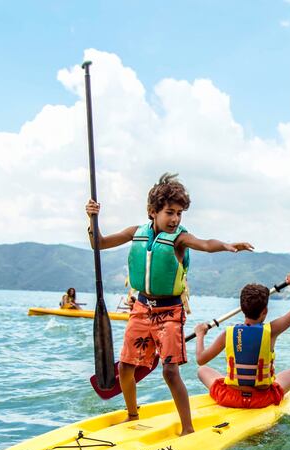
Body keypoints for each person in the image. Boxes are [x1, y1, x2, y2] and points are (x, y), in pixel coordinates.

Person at [85, 173, 253, 435]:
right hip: (141, 309)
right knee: (127, 368)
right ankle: (132, 415)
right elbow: (99, 243)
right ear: (153, 212)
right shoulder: (135, 233)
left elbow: (206, 244)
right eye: (169, 212)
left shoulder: (179, 239)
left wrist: (226, 245)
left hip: (169, 313)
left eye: (179, 213)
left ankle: (187, 428)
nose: (175, 219)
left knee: (170, 372)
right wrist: (92, 219)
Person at [193, 272, 290, 409]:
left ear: (242, 309)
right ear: (265, 310)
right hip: (262, 399)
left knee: (202, 370)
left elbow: (201, 359)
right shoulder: (271, 330)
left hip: (230, 397)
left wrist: (200, 334)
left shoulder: (228, 334)